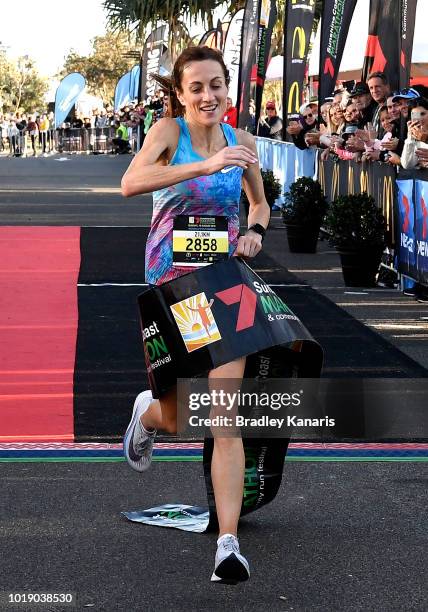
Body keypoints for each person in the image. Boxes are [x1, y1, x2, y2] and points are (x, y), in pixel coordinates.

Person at [121, 45, 269, 584]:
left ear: (228, 90)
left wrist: (254, 231)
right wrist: (204, 164)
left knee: (225, 418)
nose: (209, 96)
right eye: (197, 88)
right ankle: (147, 414)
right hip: (174, 280)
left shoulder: (244, 143)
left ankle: (227, 545)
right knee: (182, 414)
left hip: (225, 281)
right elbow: (130, 184)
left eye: (216, 86)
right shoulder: (166, 134)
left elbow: (259, 202)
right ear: (181, 95)